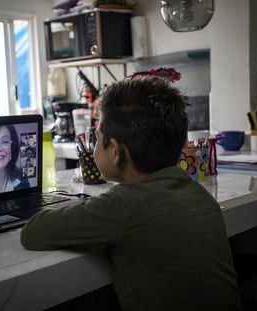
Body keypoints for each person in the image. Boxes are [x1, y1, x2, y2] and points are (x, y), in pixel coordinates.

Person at [20, 76, 242, 311]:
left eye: (97, 139)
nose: (94, 147)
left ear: (115, 152)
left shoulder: (122, 206)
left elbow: (33, 232)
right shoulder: (197, 192)